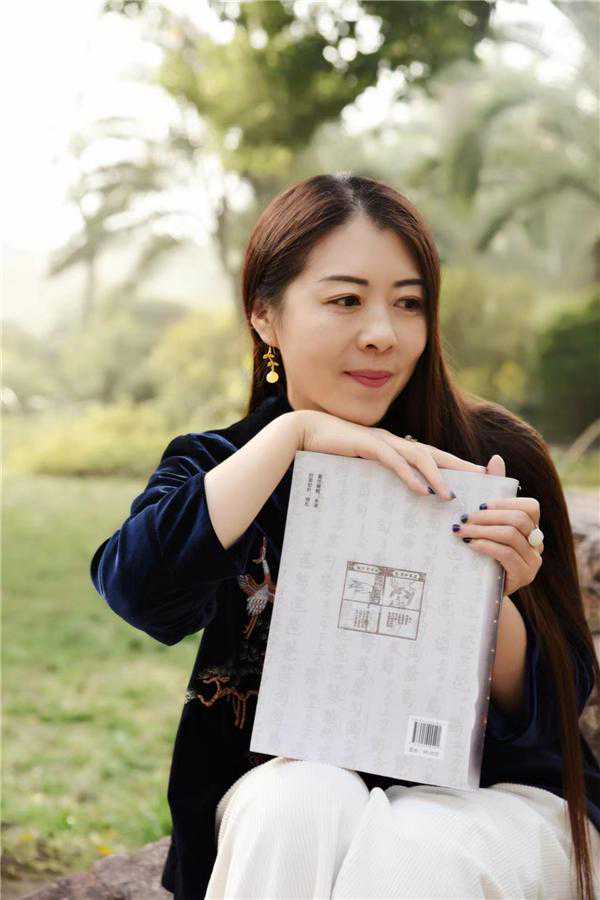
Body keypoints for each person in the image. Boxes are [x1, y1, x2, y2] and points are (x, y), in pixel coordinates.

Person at [90, 174, 600, 900]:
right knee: (297, 802)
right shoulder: (223, 466)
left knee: (414, 851)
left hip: (496, 802)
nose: (382, 334)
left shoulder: (492, 457)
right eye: (345, 300)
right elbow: (139, 590)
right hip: (287, 790)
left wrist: (496, 601)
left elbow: (557, 704)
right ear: (265, 315)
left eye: (408, 303)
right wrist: (293, 435)